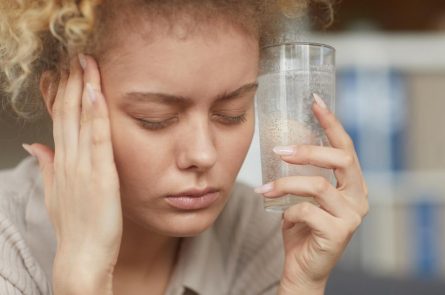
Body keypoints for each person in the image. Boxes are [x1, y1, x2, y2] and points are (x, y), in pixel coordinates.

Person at [0, 0, 368, 294]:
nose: (203, 154)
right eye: (154, 118)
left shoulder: (253, 234)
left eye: (231, 113)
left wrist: (302, 286)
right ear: (61, 99)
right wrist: (83, 277)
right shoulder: (8, 246)